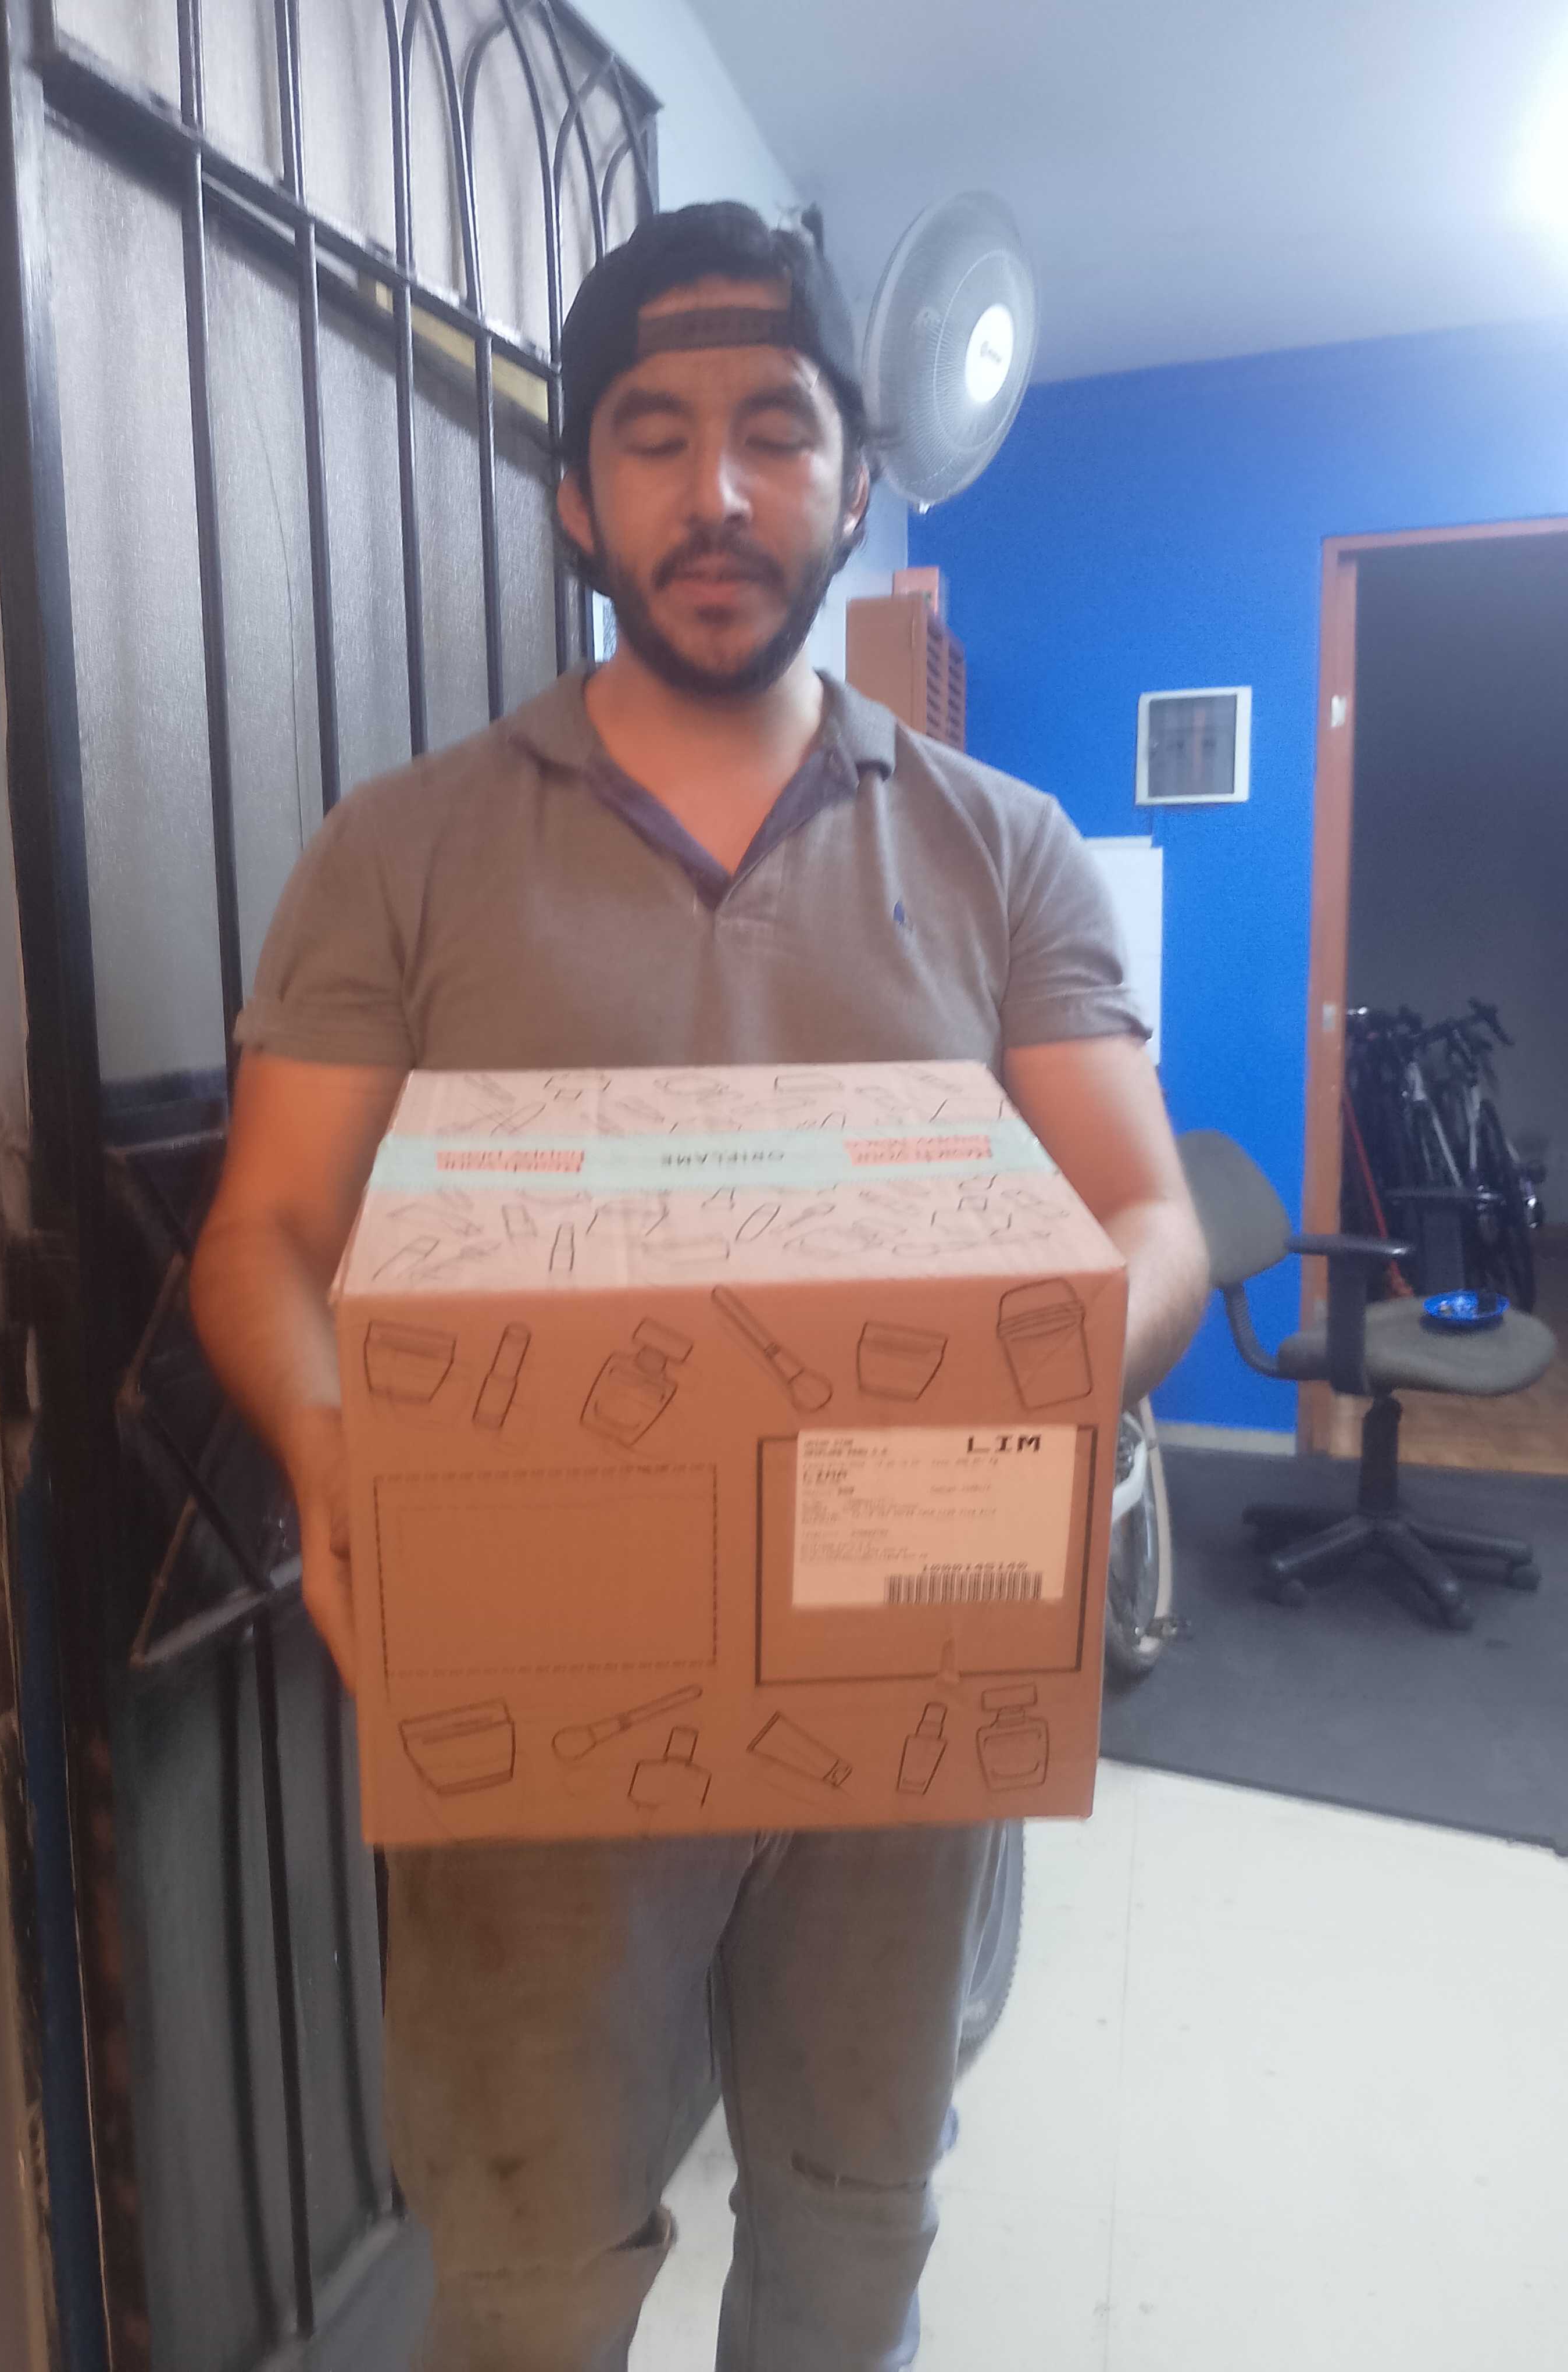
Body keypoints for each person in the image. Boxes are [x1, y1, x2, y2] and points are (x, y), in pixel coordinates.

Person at [191, 200, 1208, 2372]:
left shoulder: (1001, 848)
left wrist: (1012, 1390)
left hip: (900, 1678)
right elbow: (265, 1231)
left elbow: (1152, 1220)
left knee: (852, 2237)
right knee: (531, 2272)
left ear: (853, 477)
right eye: (653, 437)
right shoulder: (404, 852)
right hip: (542, 1699)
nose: (718, 492)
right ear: (576, 496)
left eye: (776, 431)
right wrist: (333, 1442)